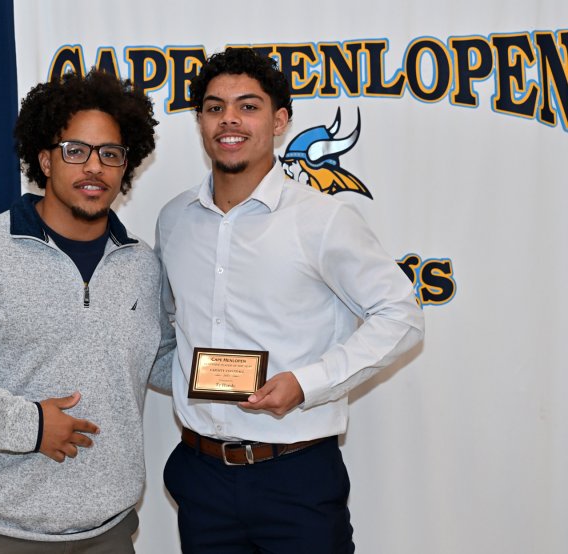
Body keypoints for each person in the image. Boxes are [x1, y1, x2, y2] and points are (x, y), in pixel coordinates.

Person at [155, 47, 424, 553]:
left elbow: (401, 316)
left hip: (295, 478)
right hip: (201, 478)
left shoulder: (322, 219)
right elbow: (174, 325)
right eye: (214, 107)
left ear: (279, 120)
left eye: (248, 106)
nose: (229, 119)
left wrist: (305, 383)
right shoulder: (174, 220)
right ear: (200, 122)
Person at [0, 69, 174, 553]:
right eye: (76, 151)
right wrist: (30, 425)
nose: (94, 167)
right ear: (45, 159)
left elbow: (161, 358)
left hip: (110, 531)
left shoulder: (141, 264)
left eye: (110, 154)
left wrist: (246, 373)